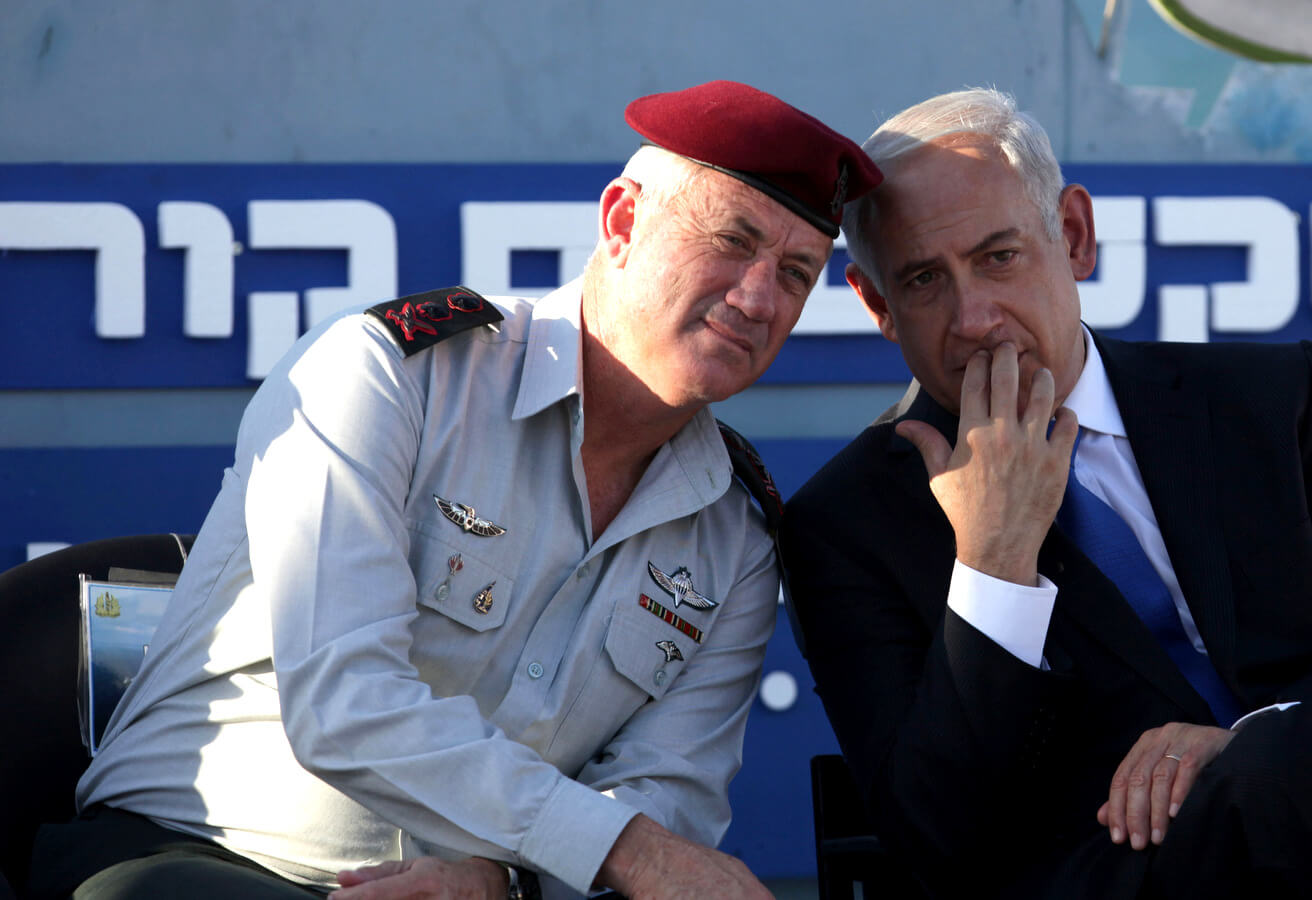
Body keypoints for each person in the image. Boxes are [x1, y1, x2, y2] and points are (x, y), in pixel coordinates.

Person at [29, 80, 880, 900]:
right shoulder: (391, 376)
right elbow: (344, 698)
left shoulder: (736, 530)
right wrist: (615, 849)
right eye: (732, 240)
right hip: (199, 853)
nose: (760, 297)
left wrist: (509, 880)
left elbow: (672, 792)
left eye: (799, 273)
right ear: (622, 222)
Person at [779, 88, 1312, 899]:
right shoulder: (845, 524)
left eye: (1000, 256)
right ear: (879, 306)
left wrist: (1247, 745)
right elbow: (937, 840)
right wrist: (993, 561)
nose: (974, 316)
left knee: (1271, 769)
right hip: (1106, 882)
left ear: (1072, 235)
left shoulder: (1266, 400)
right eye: (925, 281)